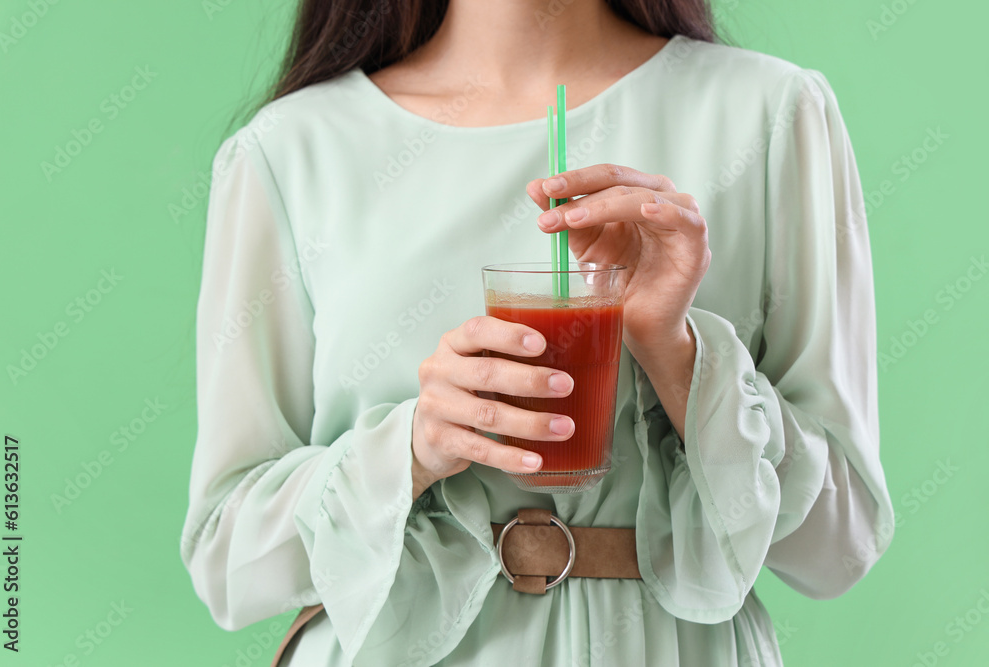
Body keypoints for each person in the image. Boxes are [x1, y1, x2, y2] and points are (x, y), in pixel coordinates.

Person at [180, 1, 895, 665]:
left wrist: (676, 354)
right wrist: (414, 447)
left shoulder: (769, 115)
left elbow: (839, 545)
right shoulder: (288, 152)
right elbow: (228, 563)